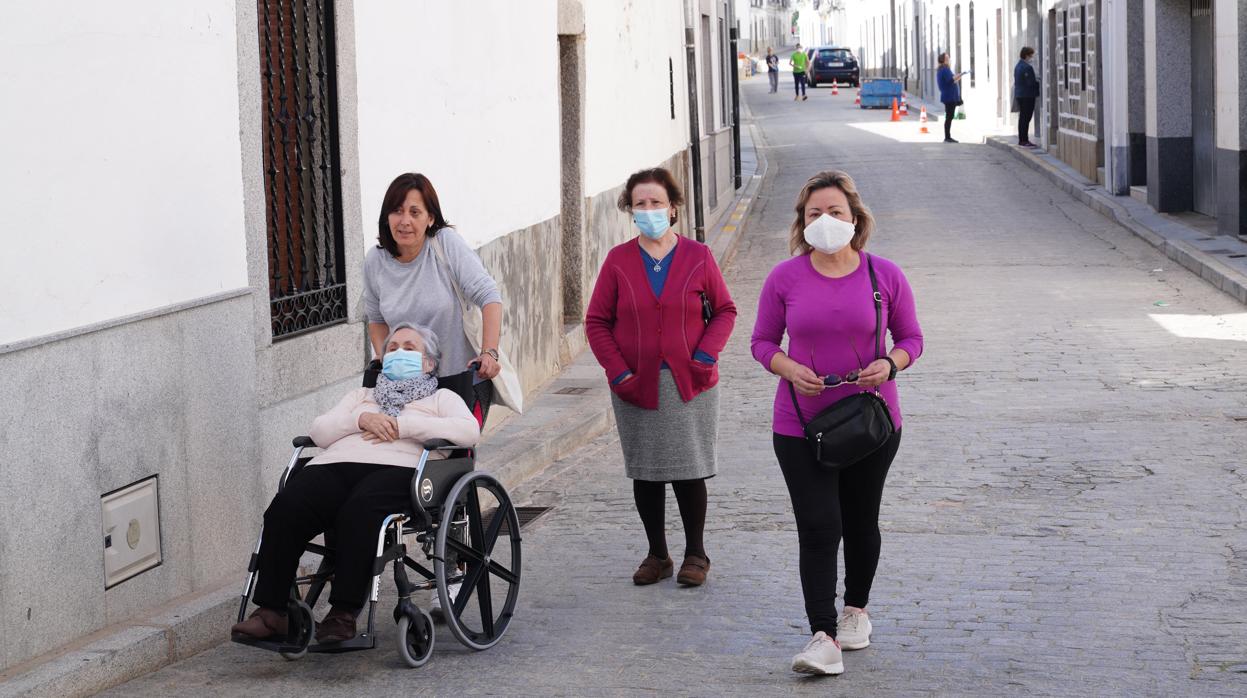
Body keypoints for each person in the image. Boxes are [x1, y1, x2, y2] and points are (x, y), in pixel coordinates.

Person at [750, 170, 923, 676]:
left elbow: (912, 338)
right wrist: (788, 368)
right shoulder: (784, 278)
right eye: (813, 214)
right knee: (820, 526)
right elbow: (762, 343)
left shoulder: (883, 275)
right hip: (799, 423)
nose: (825, 221)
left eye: (835, 212)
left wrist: (891, 363)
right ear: (801, 224)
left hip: (871, 421)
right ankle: (822, 635)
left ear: (855, 219)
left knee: (860, 520)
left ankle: (855, 611)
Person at [231, 324, 480, 644]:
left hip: (399, 467)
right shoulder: (362, 396)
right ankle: (271, 612)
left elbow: (467, 431)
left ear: (429, 363)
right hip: (336, 464)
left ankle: (342, 614)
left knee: (361, 510)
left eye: (408, 348)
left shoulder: (441, 397)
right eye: (391, 349)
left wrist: (403, 426)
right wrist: (360, 419)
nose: (398, 353)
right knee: (286, 507)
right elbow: (319, 431)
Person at [585, 167, 737, 587]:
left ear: (672, 208)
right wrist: (619, 373)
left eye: (656, 203)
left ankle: (696, 553)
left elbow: (725, 310)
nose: (648, 210)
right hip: (637, 383)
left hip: (690, 381)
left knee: (689, 469)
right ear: (630, 211)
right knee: (646, 471)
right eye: (640, 204)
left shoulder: (698, 256)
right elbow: (597, 321)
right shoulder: (618, 261)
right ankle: (657, 554)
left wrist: (705, 356)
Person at [364, 173, 503, 426]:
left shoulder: (444, 244)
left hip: (458, 381)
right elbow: (376, 320)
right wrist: (388, 357)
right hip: (404, 388)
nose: (405, 221)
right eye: (397, 211)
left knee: (450, 454)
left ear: (430, 218)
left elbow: (489, 296)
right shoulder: (375, 260)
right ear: (387, 217)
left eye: (415, 212)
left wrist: (489, 353)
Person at [1014, 46, 1041, 148]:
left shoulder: (1018, 66)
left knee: (1022, 118)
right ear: (1026, 55)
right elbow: (1031, 83)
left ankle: (1022, 139)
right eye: (1031, 55)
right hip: (1027, 96)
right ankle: (1024, 140)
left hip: (1020, 95)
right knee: (1026, 117)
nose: (1032, 58)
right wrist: (1038, 82)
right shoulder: (1027, 67)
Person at [936, 52, 963, 143]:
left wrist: (958, 77)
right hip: (949, 96)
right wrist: (959, 75)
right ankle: (947, 137)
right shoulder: (945, 69)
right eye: (947, 58)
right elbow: (951, 80)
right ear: (943, 60)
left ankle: (948, 136)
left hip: (949, 96)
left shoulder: (942, 69)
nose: (949, 59)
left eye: (948, 58)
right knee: (949, 117)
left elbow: (951, 81)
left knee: (949, 116)